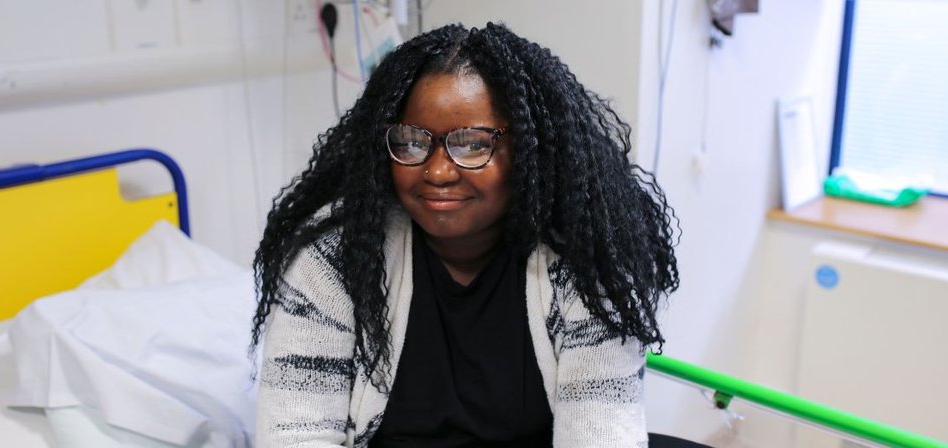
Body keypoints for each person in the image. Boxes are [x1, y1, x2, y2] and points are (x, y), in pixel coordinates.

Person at [250, 22, 679, 448]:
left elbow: (600, 437)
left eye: (473, 144)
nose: (437, 171)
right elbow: (294, 438)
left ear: (530, 150)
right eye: (412, 142)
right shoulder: (333, 260)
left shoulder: (587, 262)